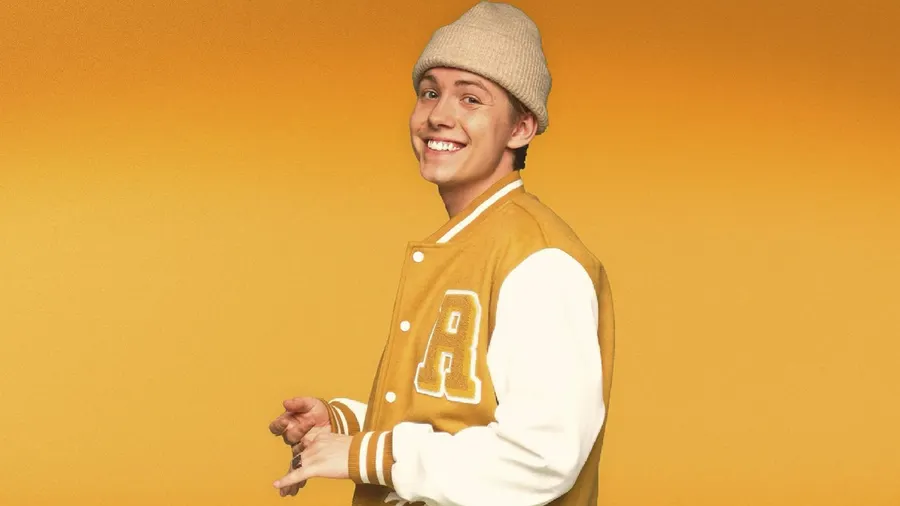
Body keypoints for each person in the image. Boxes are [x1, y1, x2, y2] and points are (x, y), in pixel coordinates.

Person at [267, 2, 615, 505]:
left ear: (520, 128)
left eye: (471, 98)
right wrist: (344, 425)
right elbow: (457, 418)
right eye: (430, 92)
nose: (438, 115)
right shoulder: (464, 245)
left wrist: (368, 454)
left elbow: (541, 458)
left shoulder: (540, 262)